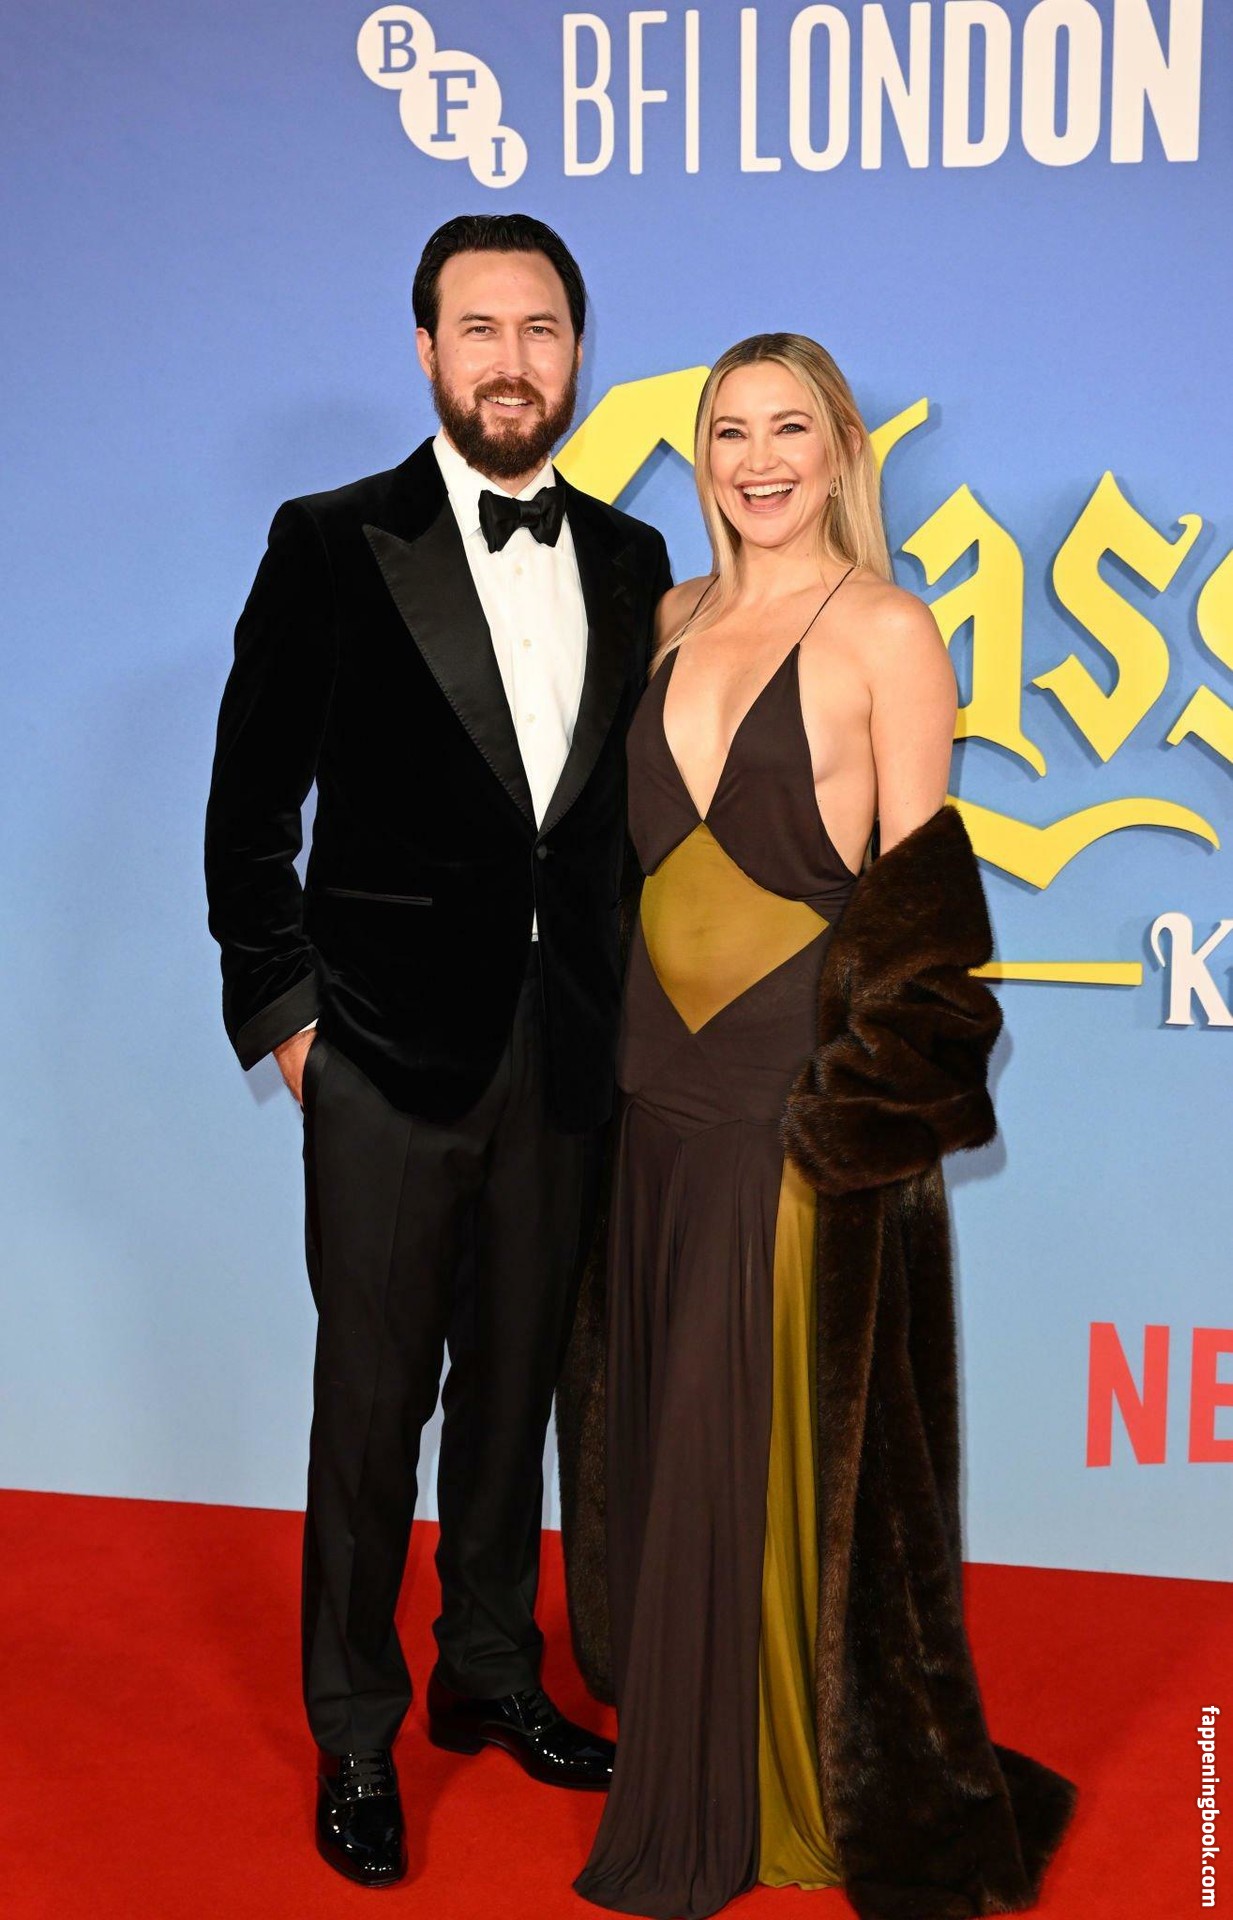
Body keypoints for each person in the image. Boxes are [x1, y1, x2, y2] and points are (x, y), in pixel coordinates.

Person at [561, 334, 1078, 1918]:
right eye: (728, 431)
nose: (757, 459)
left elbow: (923, 918)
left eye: (789, 428)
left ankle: (743, 1796)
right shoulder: (665, 620)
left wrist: (856, 1123)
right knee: (659, 1442)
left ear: (842, 447)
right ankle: (693, 1745)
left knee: (752, 1438)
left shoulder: (886, 630)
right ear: (698, 457)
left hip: (784, 1108)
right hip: (647, 1101)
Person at [204, 212, 671, 1890]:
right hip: (385, 1060)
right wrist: (292, 1026)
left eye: (539, 329)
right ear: (425, 350)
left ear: (576, 350)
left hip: (564, 1056)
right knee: (372, 1407)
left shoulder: (629, 557)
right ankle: (354, 1729)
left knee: (514, 1390)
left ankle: (488, 1670)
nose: (511, 362)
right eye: (479, 329)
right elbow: (248, 810)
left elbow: (616, 829)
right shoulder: (332, 542)